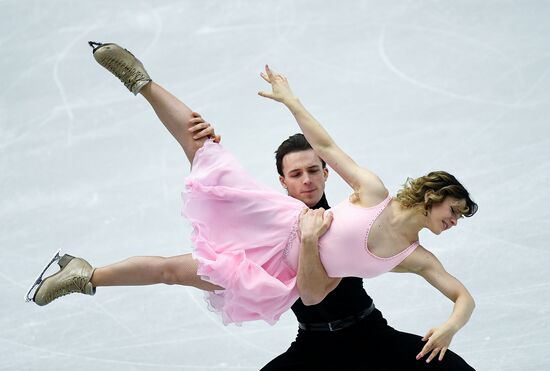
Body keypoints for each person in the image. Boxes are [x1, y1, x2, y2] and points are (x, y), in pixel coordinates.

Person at [28, 42, 477, 367]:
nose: (307, 179)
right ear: (281, 182)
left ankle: (86, 274)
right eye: (295, 174)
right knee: (208, 154)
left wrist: (453, 324)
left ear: (325, 174)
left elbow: (456, 292)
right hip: (278, 242)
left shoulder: (383, 233)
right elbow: (321, 147)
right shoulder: (334, 202)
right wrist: (288, 101)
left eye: (314, 172)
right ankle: (140, 82)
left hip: (286, 282)